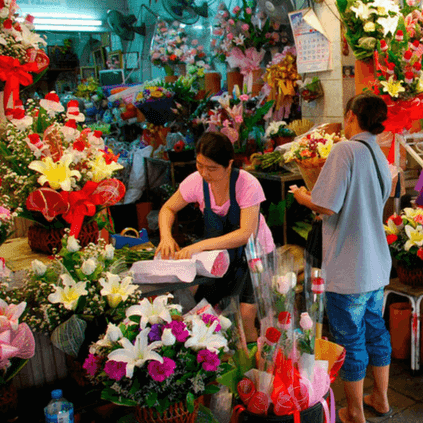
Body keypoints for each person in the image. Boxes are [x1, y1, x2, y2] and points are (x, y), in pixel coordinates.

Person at [290, 94, 392, 423]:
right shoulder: (379, 153)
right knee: (376, 331)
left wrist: (304, 197)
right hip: (376, 263)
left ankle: (356, 413)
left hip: (348, 268)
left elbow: (328, 205)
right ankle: (381, 398)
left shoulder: (344, 149)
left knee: (350, 337)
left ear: (350, 117)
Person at [157, 131, 275, 341]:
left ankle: (254, 369)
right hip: (221, 255)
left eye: (211, 168)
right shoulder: (196, 181)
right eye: (200, 165)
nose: (204, 173)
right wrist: (166, 237)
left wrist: (200, 246)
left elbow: (246, 234)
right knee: (204, 308)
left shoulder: (247, 184)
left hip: (255, 256)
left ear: (229, 164)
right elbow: (168, 209)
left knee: (246, 315)